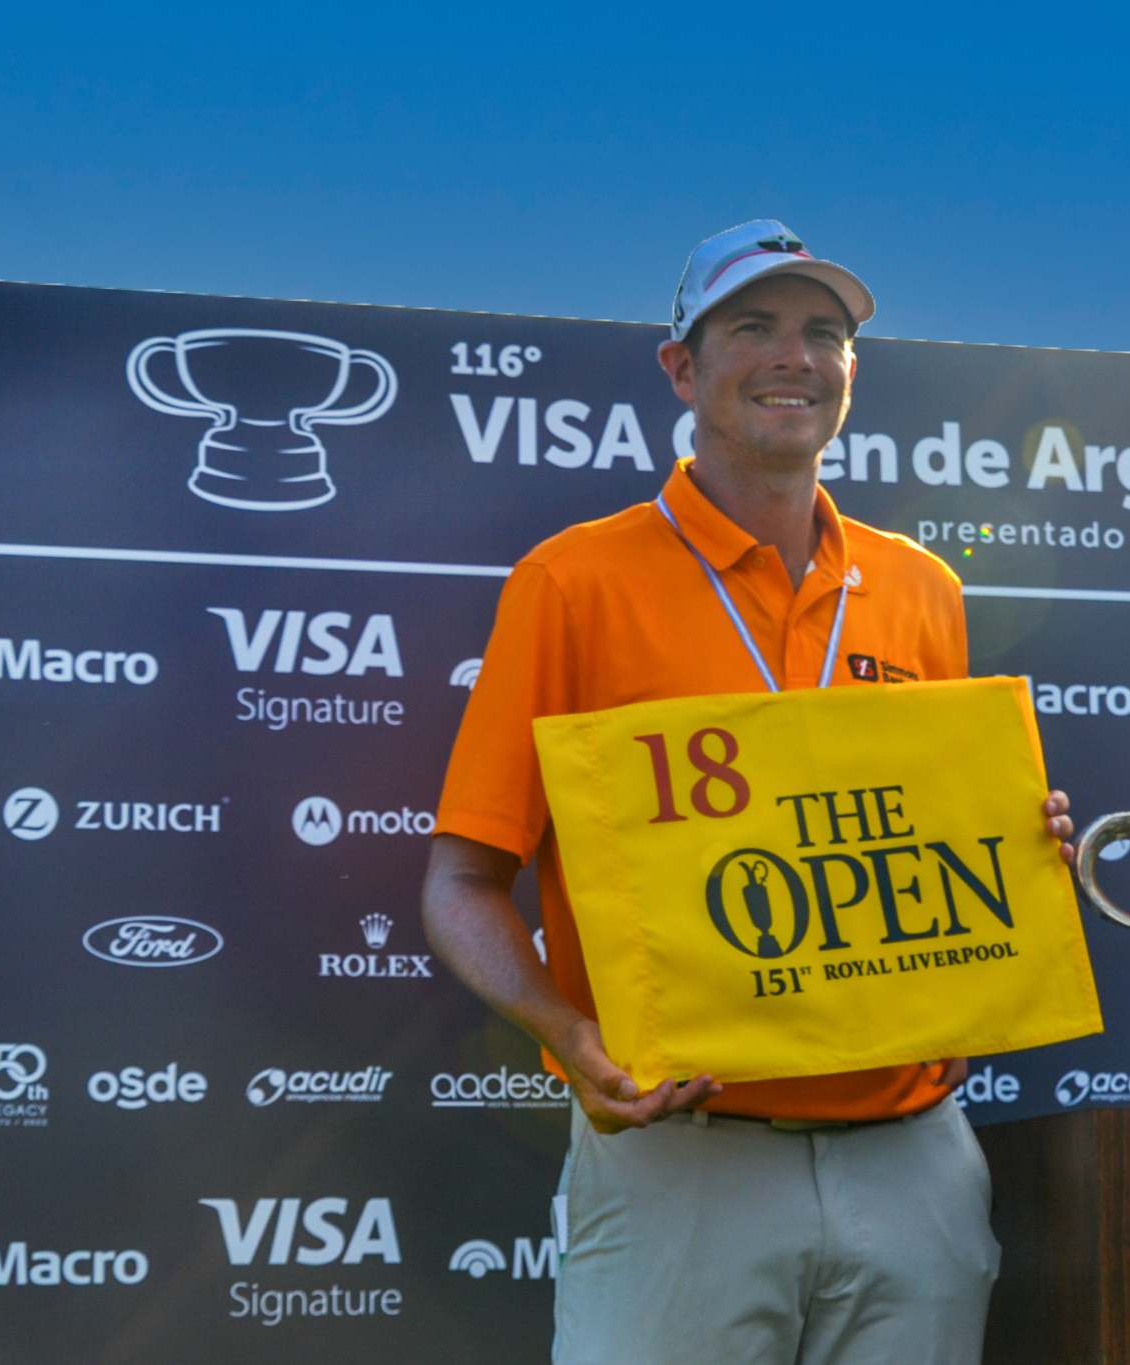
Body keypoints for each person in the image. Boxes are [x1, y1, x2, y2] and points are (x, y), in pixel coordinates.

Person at [423, 219, 1074, 1364]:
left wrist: (1011, 875)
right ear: (681, 365)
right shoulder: (571, 581)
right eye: (753, 327)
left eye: (824, 333)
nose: (795, 356)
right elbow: (462, 881)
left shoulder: (920, 588)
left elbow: (934, 842)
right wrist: (568, 1035)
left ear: (851, 371)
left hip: (911, 1156)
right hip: (685, 1153)